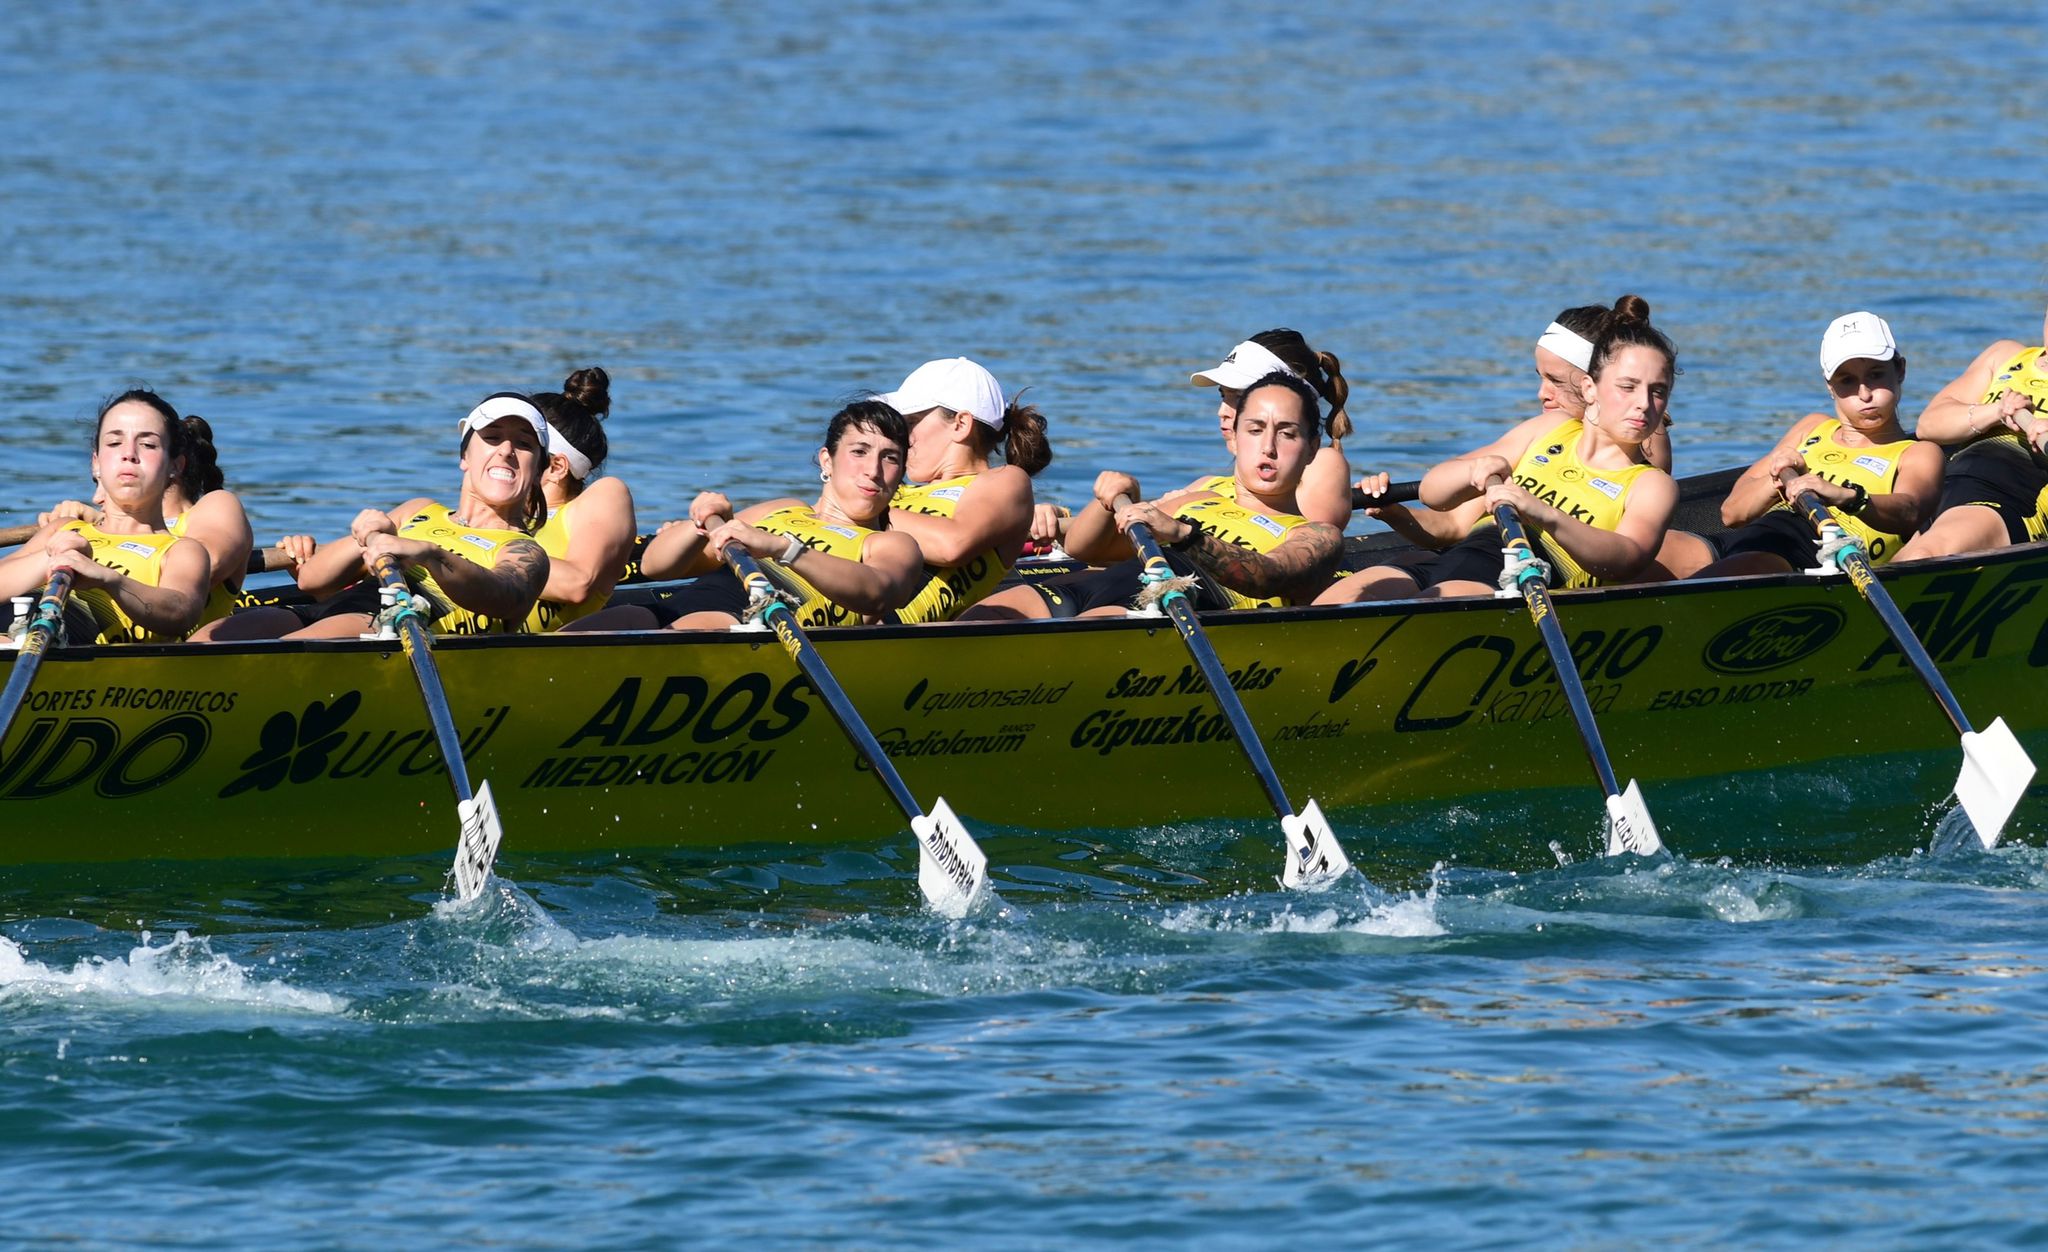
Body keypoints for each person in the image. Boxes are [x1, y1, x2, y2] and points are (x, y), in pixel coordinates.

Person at [1316, 295, 1679, 602]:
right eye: (1628, 387)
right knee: (1336, 604)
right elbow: (1437, 498)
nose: (1644, 404)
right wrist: (1407, 506)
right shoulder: (1550, 429)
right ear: (1589, 387)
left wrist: (1543, 513)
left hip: (1521, 576)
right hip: (1452, 556)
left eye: (1657, 391)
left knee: (1418, 608)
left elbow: (1628, 558)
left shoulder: (1652, 483)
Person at [965, 372, 1343, 619]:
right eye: (1256, 429)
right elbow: (1087, 550)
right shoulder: (1192, 502)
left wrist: (1182, 535)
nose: (1269, 448)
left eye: (1287, 434)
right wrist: (1111, 500)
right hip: (1091, 585)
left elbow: (1266, 576)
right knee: (978, 623)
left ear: (1312, 448)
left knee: (1084, 629)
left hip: (1176, 605)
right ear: (1235, 437)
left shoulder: (1316, 535)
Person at [207, 394, 551, 639]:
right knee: (214, 640)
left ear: (538, 471)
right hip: (335, 606)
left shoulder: (525, 552)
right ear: (464, 456)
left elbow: (507, 598)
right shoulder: (419, 510)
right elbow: (312, 580)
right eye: (492, 438)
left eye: (523, 444)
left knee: (286, 652)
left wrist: (429, 554)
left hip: (403, 626)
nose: (506, 451)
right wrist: (364, 537)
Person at [583, 400, 924, 630]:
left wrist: (783, 549)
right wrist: (698, 526)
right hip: (676, 610)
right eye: (859, 452)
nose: (873, 471)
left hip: (753, 630)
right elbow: (656, 566)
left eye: (890, 458)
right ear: (826, 460)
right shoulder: (781, 509)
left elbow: (881, 592)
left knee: (698, 623)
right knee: (620, 618)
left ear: (900, 474)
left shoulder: (890, 543)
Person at [1365, 304, 1679, 551]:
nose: (1541, 394)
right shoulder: (1550, 430)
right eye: (1539, 377)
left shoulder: (1648, 443)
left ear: (1592, 383)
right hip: (1487, 551)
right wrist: (1393, 512)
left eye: (1554, 380)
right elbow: (1452, 525)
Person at [1658, 312, 1941, 577]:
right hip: (1751, 537)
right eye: (1847, 381)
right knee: (1654, 548)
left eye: (1876, 375)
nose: (1864, 394)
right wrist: (1778, 484)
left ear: (1900, 369)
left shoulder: (1917, 452)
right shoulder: (1812, 426)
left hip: (1822, 555)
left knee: (1748, 566)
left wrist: (1843, 496)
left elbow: (1909, 510)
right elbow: (1732, 513)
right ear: (1830, 386)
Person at [0, 390, 211, 643]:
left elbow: (180, 612)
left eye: (147, 444)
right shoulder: (66, 529)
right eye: (114, 443)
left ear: (175, 466)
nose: (129, 454)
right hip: (17, 619)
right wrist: (50, 560)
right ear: (96, 463)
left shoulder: (181, 550)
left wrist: (109, 579)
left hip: (76, 639)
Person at [43, 412, 254, 636]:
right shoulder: (89, 528)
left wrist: (103, 538)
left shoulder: (215, 505)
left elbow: (208, 564)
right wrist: (70, 531)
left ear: (174, 466)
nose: (96, 499)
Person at [875, 358, 1050, 622]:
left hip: (890, 627)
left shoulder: (1005, 480)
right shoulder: (895, 493)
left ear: (961, 424)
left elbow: (952, 545)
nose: (898, 438)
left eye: (909, 423)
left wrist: (858, 514)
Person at [1893, 306, 2048, 560]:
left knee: (1924, 553)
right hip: (1947, 485)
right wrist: (1997, 411)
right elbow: (1929, 424)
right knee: (1891, 565)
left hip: (2012, 497)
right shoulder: (2004, 355)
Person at [525, 367, 636, 632]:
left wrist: (452, 558)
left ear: (556, 467)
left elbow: (576, 583)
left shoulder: (601, 498)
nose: (502, 451)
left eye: (521, 443)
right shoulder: (497, 513)